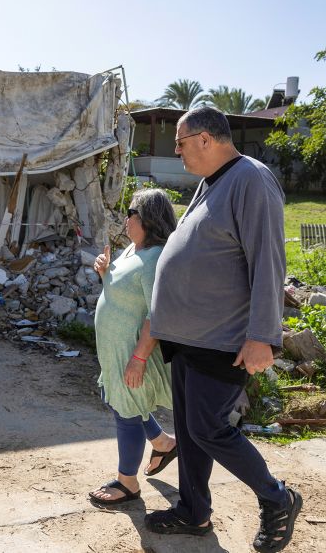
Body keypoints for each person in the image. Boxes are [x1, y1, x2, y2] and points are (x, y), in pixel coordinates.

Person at [145, 106, 302, 553]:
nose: (177, 151)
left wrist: (263, 335)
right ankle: (193, 511)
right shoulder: (208, 184)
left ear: (206, 139)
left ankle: (277, 498)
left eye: (179, 142)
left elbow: (268, 260)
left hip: (224, 337)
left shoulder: (251, 179)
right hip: (189, 338)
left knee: (210, 428)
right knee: (192, 429)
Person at [87, 188, 179, 507]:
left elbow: (158, 313)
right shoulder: (133, 249)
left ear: (149, 219)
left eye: (131, 213)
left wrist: (139, 358)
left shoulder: (154, 257)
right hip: (114, 350)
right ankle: (163, 442)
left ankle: (128, 483)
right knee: (119, 401)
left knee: (126, 411)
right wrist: (104, 271)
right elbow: (122, 292)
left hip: (132, 351)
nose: (126, 219)